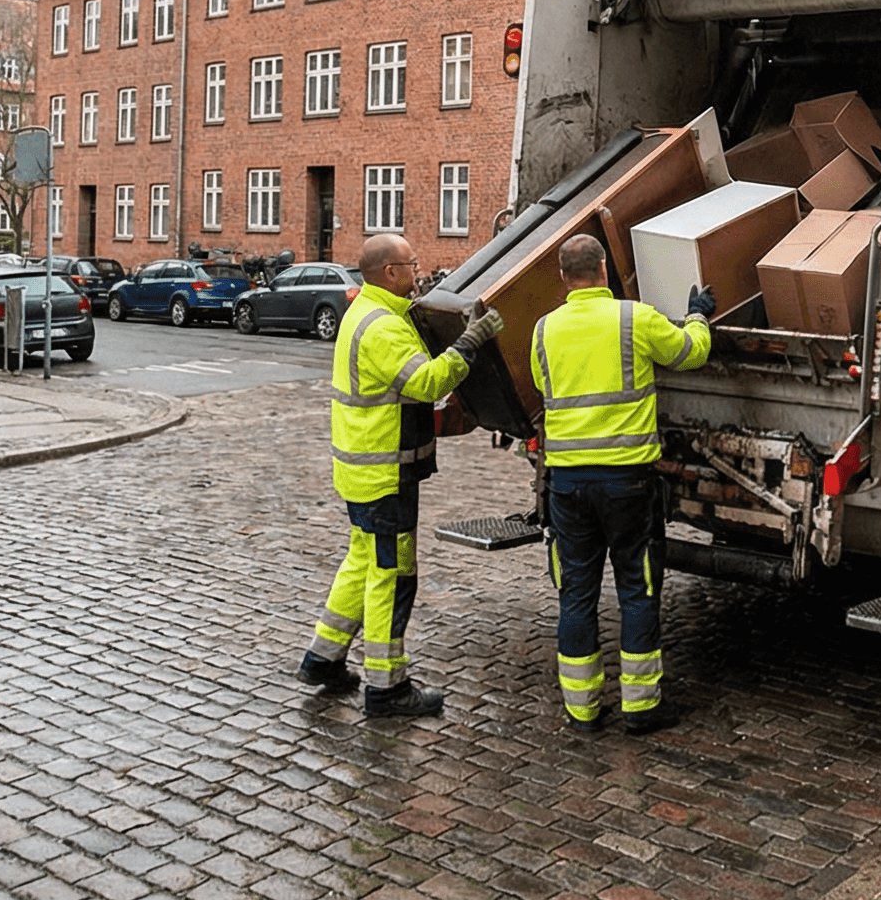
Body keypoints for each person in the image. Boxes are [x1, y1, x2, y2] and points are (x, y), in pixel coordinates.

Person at [297, 232, 502, 719]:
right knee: (392, 576)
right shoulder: (382, 328)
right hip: (384, 474)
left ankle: (323, 659)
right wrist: (470, 341)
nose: (419, 271)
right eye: (412, 264)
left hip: (362, 469)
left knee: (362, 562)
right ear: (390, 273)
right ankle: (387, 688)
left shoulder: (370, 312)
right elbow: (427, 381)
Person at [529, 233, 712, 735]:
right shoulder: (635, 317)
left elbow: (544, 387)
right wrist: (697, 313)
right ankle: (641, 707)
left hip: (567, 487)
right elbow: (690, 352)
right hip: (628, 483)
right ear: (604, 270)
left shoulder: (544, 330)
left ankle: (583, 709)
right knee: (637, 588)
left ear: (564, 277)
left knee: (576, 594)